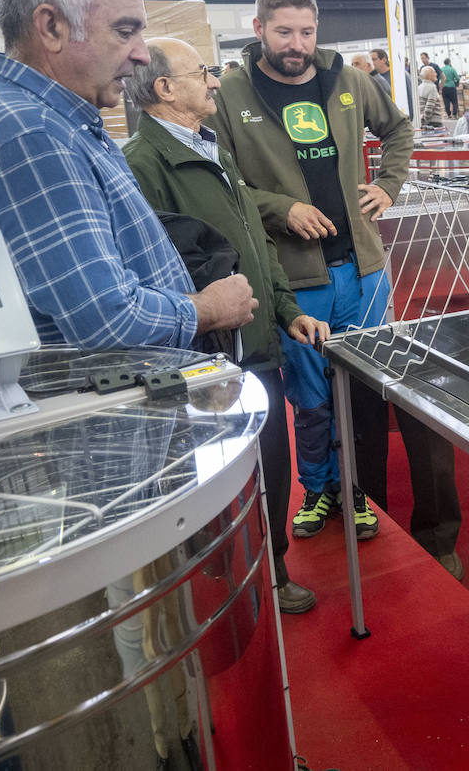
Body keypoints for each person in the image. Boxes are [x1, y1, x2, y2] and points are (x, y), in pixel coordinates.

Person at [207, 0, 465, 578]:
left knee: (369, 391)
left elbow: (398, 130)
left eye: (306, 32)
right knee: (312, 398)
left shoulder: (350, 81)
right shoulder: (232, 94)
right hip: (296, 275)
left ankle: (361, 494)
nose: (296, 45)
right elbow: (225, 181)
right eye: (283, 32)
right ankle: (319, 490)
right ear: (258, 28)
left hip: (365, 268)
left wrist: (389, 185)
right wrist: (280, 209)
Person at [0, 0, 256, 351]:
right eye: (124, 32)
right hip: (106, 402)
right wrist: (208, 309)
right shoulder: (33, 134)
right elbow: (105, 320)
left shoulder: (53, 121)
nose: (143, 55)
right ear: (52, 27)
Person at [122, 36, 330, 615]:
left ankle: (275, 568)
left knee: (272, 466)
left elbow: (256, 246)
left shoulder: (210, 148)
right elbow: (157, 272)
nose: (216, 80)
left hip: (257, 343)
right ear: (165, 89)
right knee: (220, 480)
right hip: (210, 358)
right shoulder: (143, 165)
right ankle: (234, 585)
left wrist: (288, 310)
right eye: (204, 71)